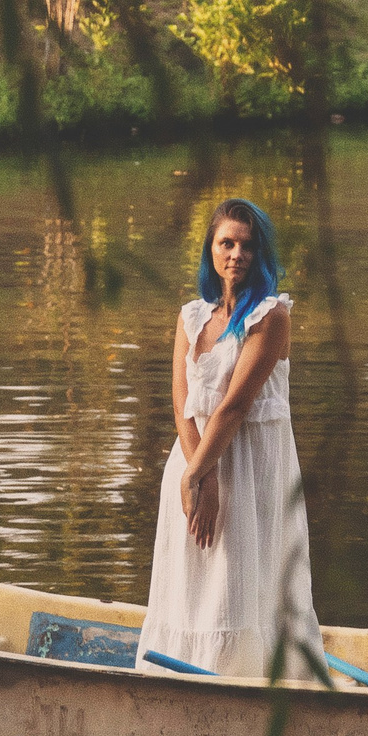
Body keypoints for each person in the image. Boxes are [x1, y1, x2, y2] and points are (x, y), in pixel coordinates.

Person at [137, 198, 321, 680]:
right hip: (196, 462)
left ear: (261, 253)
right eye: (227, 243)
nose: (236, 254)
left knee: (237, 580)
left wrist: (201, 474)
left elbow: (235, 406)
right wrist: (198, 475)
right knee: (193, 579)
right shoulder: (191, 317)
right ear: (211, 250)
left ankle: (245, 677)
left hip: (252, 468)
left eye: (247, 245)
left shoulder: (271, 316)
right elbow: (182, 404)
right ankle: (181, 677)